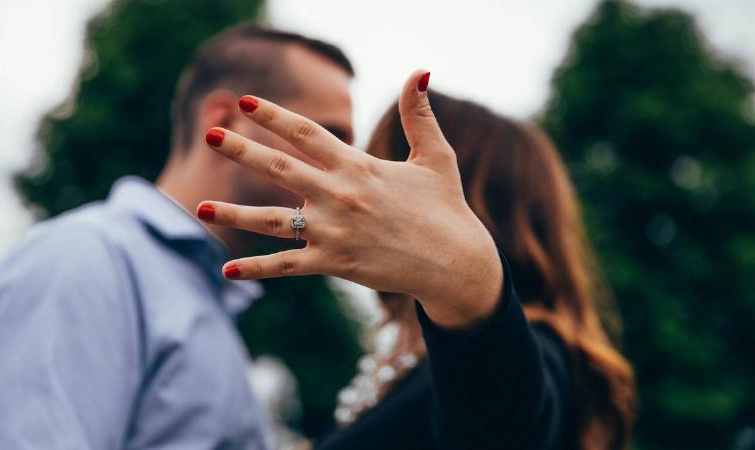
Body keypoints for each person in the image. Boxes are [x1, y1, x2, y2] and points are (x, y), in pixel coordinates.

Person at [0, 25, 354, 449]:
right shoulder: (84, 259)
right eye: (326, 136)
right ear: (225, 121)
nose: (344, 165)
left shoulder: (202, 293)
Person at [196, 74, 636, 449]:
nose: (355, 191)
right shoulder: (406, 363)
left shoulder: (537, 352)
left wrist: (468, 282)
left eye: (381, 168)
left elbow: (500, 430)